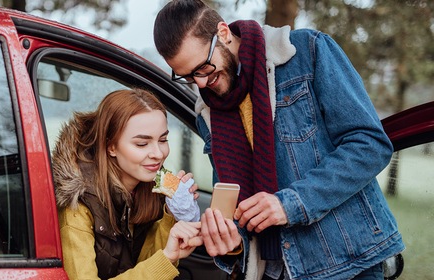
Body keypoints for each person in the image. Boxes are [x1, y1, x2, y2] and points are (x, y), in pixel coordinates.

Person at [153, 1, 405, 279]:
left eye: (202, 68)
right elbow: (231, 197)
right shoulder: (207, 110)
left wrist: (291, 203)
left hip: (347, 263)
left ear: (223, 33)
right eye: (187, 76)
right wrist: (230, 242)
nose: (200, 84)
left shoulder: (308, 50)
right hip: (272, 271)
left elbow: (370, 145)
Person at [52, 88, 203, 279]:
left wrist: (170, 219)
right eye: (142, 144)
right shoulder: (77, 205)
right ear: (111, 146)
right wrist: (165, 258)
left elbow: (142, 265)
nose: (158, 153)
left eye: (163, 139)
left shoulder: (148, 189)